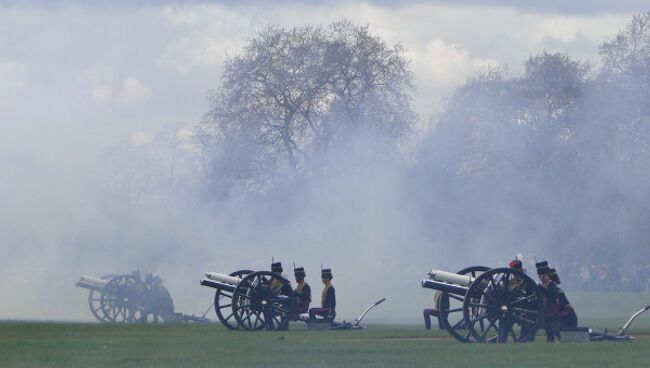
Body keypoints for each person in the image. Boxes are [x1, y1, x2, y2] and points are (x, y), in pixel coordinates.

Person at [536, 261, 578, 342]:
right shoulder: (542, 287)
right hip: (552, 314)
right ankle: (550, 339)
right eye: (540, 275)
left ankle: (551, 339)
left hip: (566, 316)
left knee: (549, 322)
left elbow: (551, 295)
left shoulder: (553, 286)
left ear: (548, 276)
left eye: (544, 275)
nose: (542, 277)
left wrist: (540, 288)